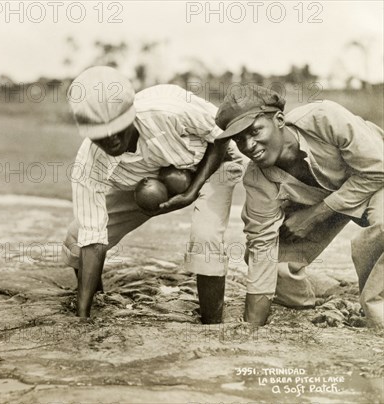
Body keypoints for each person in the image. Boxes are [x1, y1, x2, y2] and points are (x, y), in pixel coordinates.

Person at [61, 66, 244, 322]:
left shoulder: (167, 110)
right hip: (147, 180)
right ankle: (96, 302)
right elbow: (92, 239)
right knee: (77, 237)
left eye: (117, 127)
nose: (111, 139)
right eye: (100, 134)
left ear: (131, 113)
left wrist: (192, 191)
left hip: (214, 161)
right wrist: (83, 319)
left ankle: (212, 329)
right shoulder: (88, 165)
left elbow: (222, 135)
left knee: (206, 237)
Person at [214, 84, 383, 328]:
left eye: (254, 131)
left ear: (279, 119)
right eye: (239, 140)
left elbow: (378, 169)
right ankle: (308, 308)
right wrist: (250, 329)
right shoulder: (257, 178)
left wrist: (315, 215)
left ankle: (378, 322)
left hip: (375, 179)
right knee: (273, 265)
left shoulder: (325, 118)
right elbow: (262, 246)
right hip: (327, 200)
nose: (248, 146)